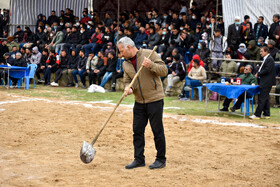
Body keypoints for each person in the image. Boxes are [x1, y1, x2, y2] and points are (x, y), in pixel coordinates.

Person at [117, 36, 168, 169]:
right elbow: (127, 80)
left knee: (157, 130)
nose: (120, 54)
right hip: (139, 101)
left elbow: (164, 71)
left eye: (121, 51)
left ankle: (161, 159)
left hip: (155, 99)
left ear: (129, 47)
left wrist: (150, 65)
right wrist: (128, 88)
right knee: (137, 130)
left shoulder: (149, 54)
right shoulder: (125, 63)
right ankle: (139, 159)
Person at [250, 47, 276, 119]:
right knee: (266, 98)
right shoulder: (267, 59)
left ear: (266, 51)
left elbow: (267, 70)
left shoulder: (270, 59)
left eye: (261, 51)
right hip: (265, 81)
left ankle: (257, 114)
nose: (260, 53)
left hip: (267, 82)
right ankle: (266, 114)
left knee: (262, 98)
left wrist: (259, 74)